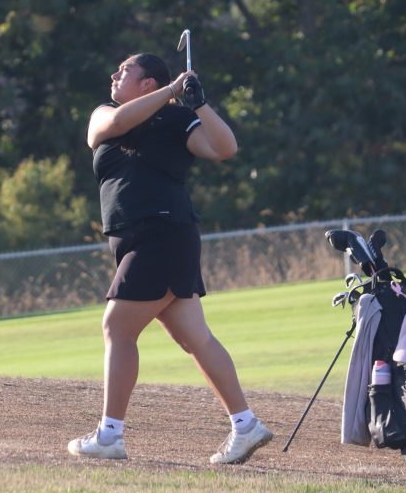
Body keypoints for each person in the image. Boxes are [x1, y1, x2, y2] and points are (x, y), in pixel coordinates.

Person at [67, 53, 273, 464]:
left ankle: (110, 435)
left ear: (146, 82)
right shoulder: (105, 112)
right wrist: (171, 91)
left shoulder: (178, 118)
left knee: (117, 327)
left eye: (124, 70)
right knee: (194, 337)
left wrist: (197, 103)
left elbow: (224, 148)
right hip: (146, 240)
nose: (114, 73)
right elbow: (114, 127)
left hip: (162, 235)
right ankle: (246, 425)